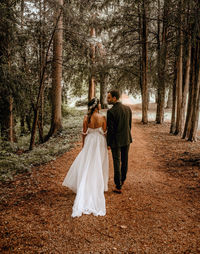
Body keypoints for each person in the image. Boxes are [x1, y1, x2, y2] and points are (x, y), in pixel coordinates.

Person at [62, 98, 109, 217]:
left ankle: (86, 183)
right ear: (96, 106)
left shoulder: (85, 118)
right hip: (99, 142)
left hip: (89, 142)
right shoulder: (102, 118)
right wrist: (107, 144)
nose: (100, 105)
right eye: (98, 103)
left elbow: (84, 133)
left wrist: (84, 145)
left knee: (87, 163)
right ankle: (99, 184)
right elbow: (104, 132)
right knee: (99, 162)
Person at [107, 90, 132, 194]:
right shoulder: (127, 109)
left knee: (117, 162)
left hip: (116, 141)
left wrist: (108, 143)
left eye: (109, 98)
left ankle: (118, 186)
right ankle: (122, 180)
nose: (107, 100)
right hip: (126, 139)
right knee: (124, 160)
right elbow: (129, 125)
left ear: (115, 98)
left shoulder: (111, 112)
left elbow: (111, 130)